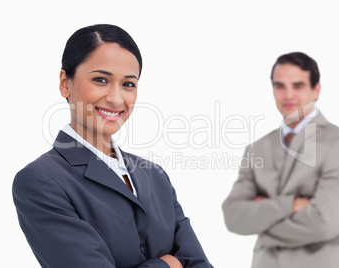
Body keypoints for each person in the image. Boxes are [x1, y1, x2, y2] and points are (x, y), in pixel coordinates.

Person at [12, 24, 213, 268]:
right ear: (65, 82)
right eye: (100, 79)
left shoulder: (155, 175)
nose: (117, 99)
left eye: (128, 84)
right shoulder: (41, 181)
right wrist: (169, 264)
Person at [222, 52, 339, 268]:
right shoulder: (257, 149)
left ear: (316, 90)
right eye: (280, 86)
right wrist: (292, 204)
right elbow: (233, 216)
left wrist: (262, 222)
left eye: (298, 86)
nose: (288, 95)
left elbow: (324, 223)